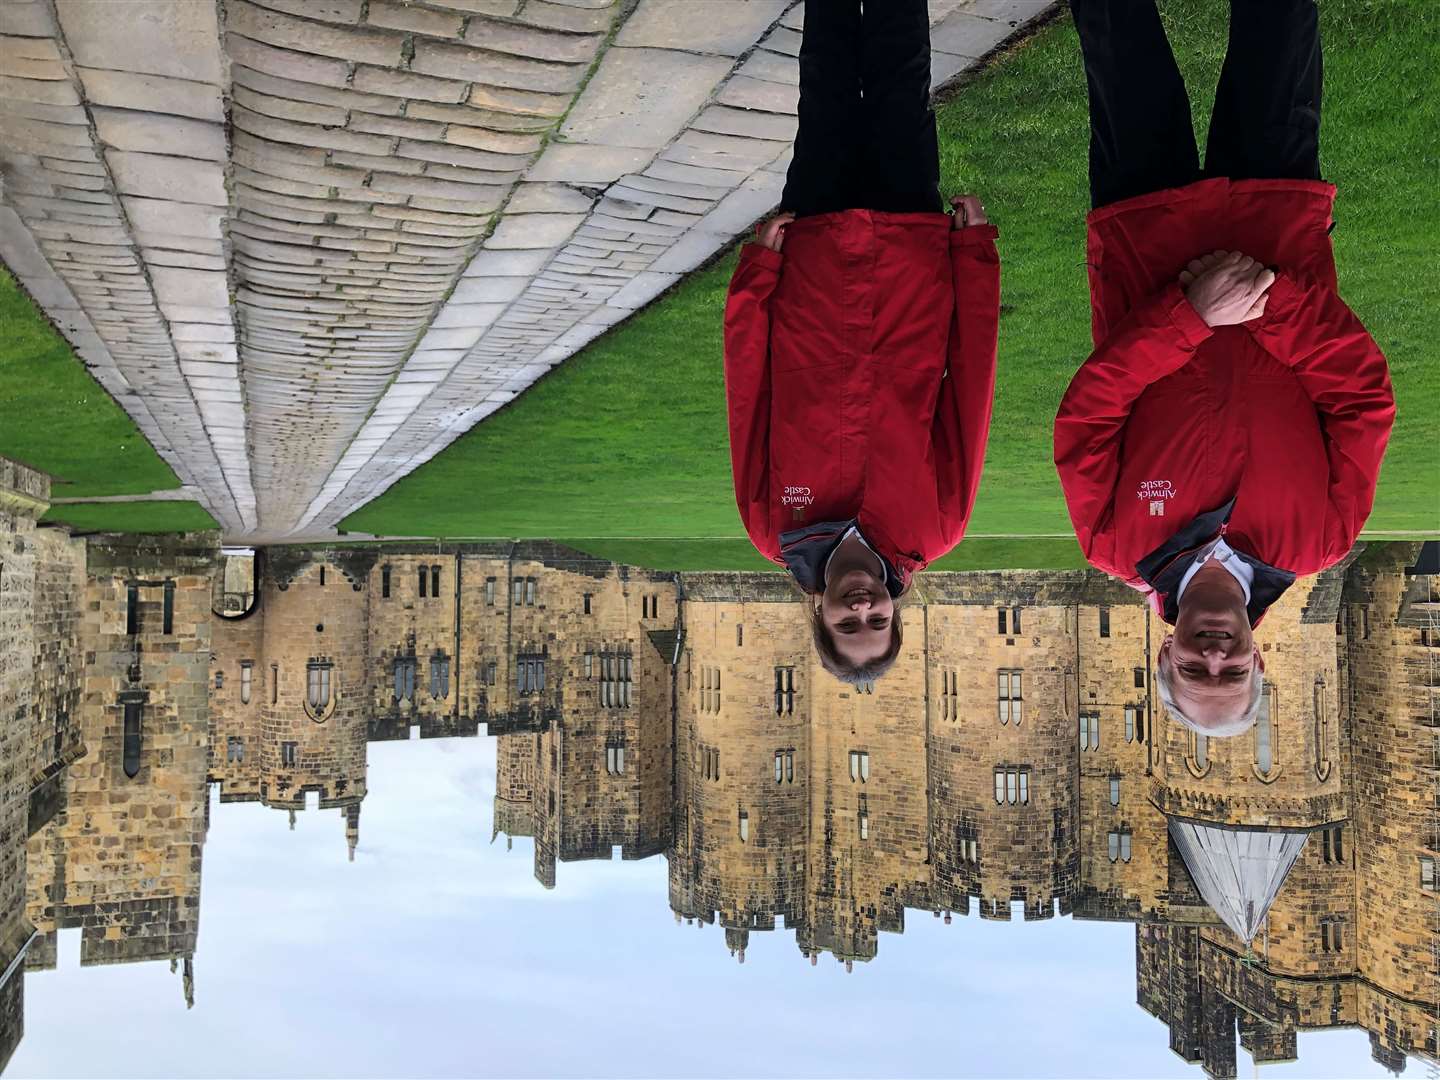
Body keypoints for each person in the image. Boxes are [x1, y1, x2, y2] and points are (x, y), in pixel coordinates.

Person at [1053, 0, 1395, 736]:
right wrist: (1265, 302)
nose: (1215, 657)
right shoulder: (1321, 537)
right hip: (1275, 224)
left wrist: (1192, 315)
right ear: (1258, 662)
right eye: (1231, 674)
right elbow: (1361, 398)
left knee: (1118, 34)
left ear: (1164, 658)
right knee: (1282, 22)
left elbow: (1090, 412)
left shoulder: (1117, 543)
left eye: (1195, 671)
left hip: (1144, 234)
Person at [724, 0, 1001, 687]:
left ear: (817, 613)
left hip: (811, 265)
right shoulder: (934, 530)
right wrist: (972, 256)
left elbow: (748, 392)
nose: (863, 609)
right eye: (878, 623)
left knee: (824, 86)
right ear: (894, 614)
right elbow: (971, 387)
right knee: (900, 80)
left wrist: (758, 275)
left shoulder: (772, 528)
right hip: (910, 257)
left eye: (847, 626)